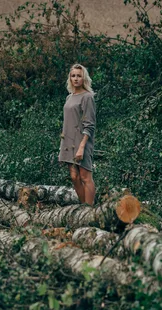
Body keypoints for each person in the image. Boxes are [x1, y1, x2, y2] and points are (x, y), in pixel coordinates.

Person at [58, 64, 96, 206]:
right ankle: (83, 207)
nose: (76, 78)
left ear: (84, 78)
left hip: (82, 142)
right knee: (74, 177)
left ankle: (89, 209)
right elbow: (67, 123)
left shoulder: (87, 97)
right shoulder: (69, 97)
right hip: (68, 142)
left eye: (79, 76)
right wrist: (63, 146)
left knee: (85, 177)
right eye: (73, 75)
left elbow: (90, 124)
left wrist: (82, 147)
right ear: (70, 78)